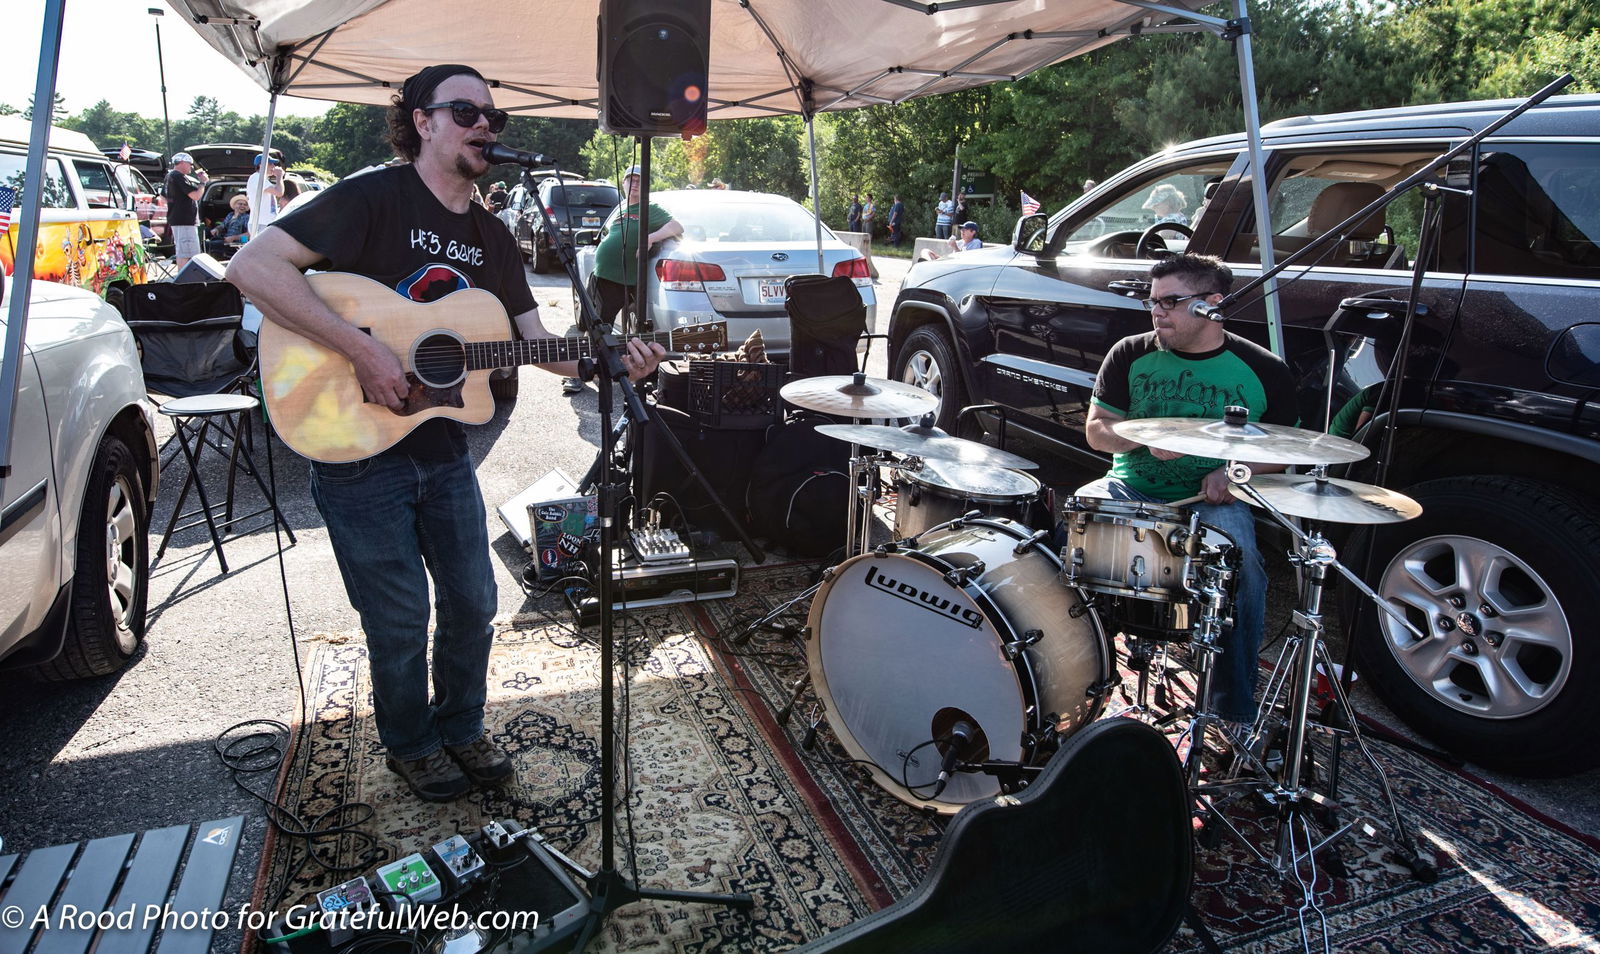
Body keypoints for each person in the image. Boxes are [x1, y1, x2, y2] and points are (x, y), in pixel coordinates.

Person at [227, 63, 666, 803]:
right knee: (399, 616)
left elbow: (537, 343)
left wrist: (611, 361)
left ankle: (462, 727)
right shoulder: (372, 197)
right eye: (466, 111)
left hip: (444, 450)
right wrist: (363, 350)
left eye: (494, 116)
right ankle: (411, 743)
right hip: (356, 449)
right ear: (422, 121)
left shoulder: (492, 235)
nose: (485, 125)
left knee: (473, 602)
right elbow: (253, 266)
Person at [1075, 253, 1295, 727]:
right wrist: (1142, 438)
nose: (1157, 312)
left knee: (1243, 569)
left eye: (1170, 302)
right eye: (1153, 302)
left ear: (1212, 304)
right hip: (1129, 487)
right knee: (1067, 539)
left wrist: (1235, 474)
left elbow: (1285, 451)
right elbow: (1096, 430)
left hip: (1208, 501)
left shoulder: (1263, 369)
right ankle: (1071, 678)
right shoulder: (1130, 352)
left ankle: (1232, 709)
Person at [583, 162, 683, 395]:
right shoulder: (620, 208)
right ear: (624, 183)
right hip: (604, 276)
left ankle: (640, 374)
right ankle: (582, 372)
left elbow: (677, 226)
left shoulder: (650, 208)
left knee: (637, 329)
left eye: (640, 180)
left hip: (629, 280)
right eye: (631, 179)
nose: (635, 183)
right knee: (596, 327)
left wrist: (650, 237)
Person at [164, 152, 207, 269]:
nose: (191, 167)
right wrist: (203, 182)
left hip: (178, 219)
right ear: (182, 163)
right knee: (187, 254)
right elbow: (196, 195)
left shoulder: (169, 176)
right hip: (184, 221)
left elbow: (163, 197)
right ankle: (183, 279)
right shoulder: (178, 176)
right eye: (190, 164)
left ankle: (183, 277)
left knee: (183, 252)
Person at [245, 154, 284, 239]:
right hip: (261, 222)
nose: (273, 166)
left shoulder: (261, 178)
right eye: (270, 164)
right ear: (261, 165)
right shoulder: (257, 177)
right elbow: (279, 192)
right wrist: (279, 176)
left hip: (264, 222)